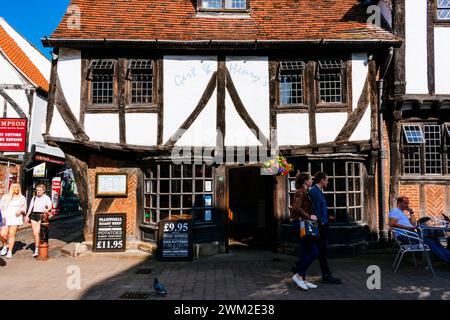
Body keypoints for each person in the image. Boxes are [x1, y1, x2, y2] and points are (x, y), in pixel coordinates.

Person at [389, 196, 450, 265]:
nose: (407, 205)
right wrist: (406, 227)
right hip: (403, 235)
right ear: (399, 202)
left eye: (408, 203)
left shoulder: (402, 213)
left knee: (434, 238)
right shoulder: (395, 211)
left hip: (410, 233)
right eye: (405, 203)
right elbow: (392, 224)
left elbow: (413, 223)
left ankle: (446, 257)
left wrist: (411, 212)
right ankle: (446, 260)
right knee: (429, 241)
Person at [308, 172, 342, 284]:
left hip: (324, 224)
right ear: (322, 180)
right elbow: (312, 208)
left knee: (321, 251)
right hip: (320, 226)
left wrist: (327, 216)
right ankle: (300, 269)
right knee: (320, 251)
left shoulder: (318, 191)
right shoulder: (313, 191)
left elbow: (320, 208)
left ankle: (326, 274)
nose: (328, 181)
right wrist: (321, 220)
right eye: (327, 179)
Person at [290, 172, 319, 291]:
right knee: (313, 251)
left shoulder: (304, 191)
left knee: (305, 251)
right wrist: (309, 216)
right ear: (305, 181)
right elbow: (296, 207)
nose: (312, 180)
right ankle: (298, 275)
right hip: (301, 223)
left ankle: (302, 279)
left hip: (303, 222)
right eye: (310, 179)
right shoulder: (300, 192)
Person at [24, 184, 53, 258]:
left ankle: (38, 247)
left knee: (36, 232)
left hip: (41, 215)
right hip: (34, 215)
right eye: (37, 190)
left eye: (40, 190)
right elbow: (30, 207)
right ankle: (37, 247)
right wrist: (27, 216)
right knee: (35, 234)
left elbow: (50, 206)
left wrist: (46, 210)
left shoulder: (46, 198)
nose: (38, 192)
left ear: (43, 191)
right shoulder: (34, 197)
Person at [0, 183, 27, 259]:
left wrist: (21, 210)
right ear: (12, 188)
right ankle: (5, 245)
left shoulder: (22, 198)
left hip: (15, 218)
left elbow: (24, 208)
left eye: (18, 187)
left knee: (12, 235)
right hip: (5, 218)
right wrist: (2, 216)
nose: (17, 189)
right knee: (3, 234)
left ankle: (10, 251)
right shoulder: (6, 196)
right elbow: (0, 207)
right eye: (15, 187)